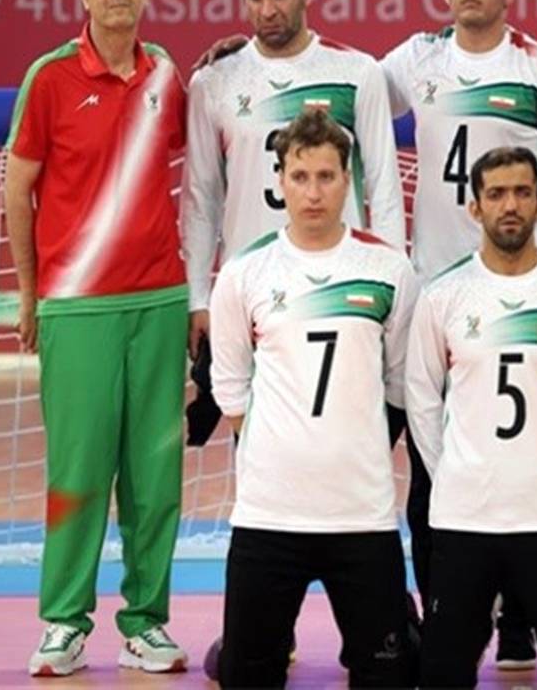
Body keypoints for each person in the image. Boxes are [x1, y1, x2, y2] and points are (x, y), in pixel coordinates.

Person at [381, 0, 537, 669]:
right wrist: (246, 54)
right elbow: (347, 90)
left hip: (521, 288)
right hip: (437, 296)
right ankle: (448, 616)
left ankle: (519, 625)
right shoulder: (418, 60)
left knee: (528, 462)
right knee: (431, 471)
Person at [5, 0, 189, 677]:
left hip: (159, 300)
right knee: (78, 473)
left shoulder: (166, 76)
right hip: (76, 306)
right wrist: (30, 292)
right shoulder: (49, 77)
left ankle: (146, 623)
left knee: (156, 476)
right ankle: (63, 622)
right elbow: (17, 187)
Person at [208, 109, 418, 688]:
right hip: (269, 515)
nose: (314, 192)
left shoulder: (388, 270)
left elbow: (399, 383)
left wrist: (348, 449)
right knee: (246, 675)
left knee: (390, 676)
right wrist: (283, 453)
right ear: (279, 180)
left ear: (348, 180)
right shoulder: (246, 273)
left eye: (326, 177)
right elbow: (230, 387)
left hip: (362, 515)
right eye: (300, 177)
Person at [405, 147, 537, 688]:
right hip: (464, 517)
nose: (510, 205)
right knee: (442, 673)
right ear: (474, 207)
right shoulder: (444, 296)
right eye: (496, 194)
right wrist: (455, 470)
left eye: (523, 192)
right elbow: (422, 398)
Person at [181, 0, 406, 440]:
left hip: (340, 288)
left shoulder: (356, 73)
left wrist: (390, 284)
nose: (268, 9)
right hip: (253, 293)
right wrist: (199, 296)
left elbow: (385, 191)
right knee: (257, 443)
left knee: (345, 438)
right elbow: (200, 198)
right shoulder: (213, 82)